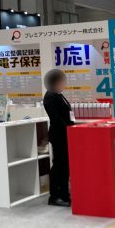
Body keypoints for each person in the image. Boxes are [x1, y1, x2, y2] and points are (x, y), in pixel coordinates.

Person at [43, 69, 73, 207]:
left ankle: (64, 194)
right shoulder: (50, 96)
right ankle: (54, 196)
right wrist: (68, 127)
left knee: (65, 166)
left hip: (65, 135)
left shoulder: (58, 95)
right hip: (59, 136)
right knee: (58, 166)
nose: (63, 83)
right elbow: (56, 118)